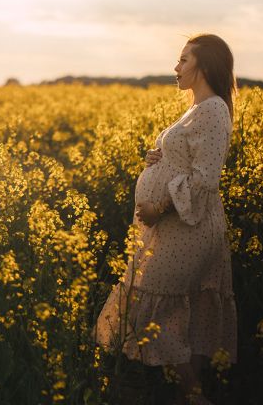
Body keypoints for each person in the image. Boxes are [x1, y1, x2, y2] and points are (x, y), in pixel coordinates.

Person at [96, 34, 237, 405]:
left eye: (184, 60)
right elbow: (187, 159)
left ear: (204, 66)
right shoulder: (198, 107)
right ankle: (186, 395)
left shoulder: (213, 109)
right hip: (177, 229)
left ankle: (193, 396)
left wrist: (159, 207)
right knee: (184, 312)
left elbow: (206, 179)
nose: (176, 67)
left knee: (158, 312)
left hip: (189, 228)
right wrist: (156, 157)